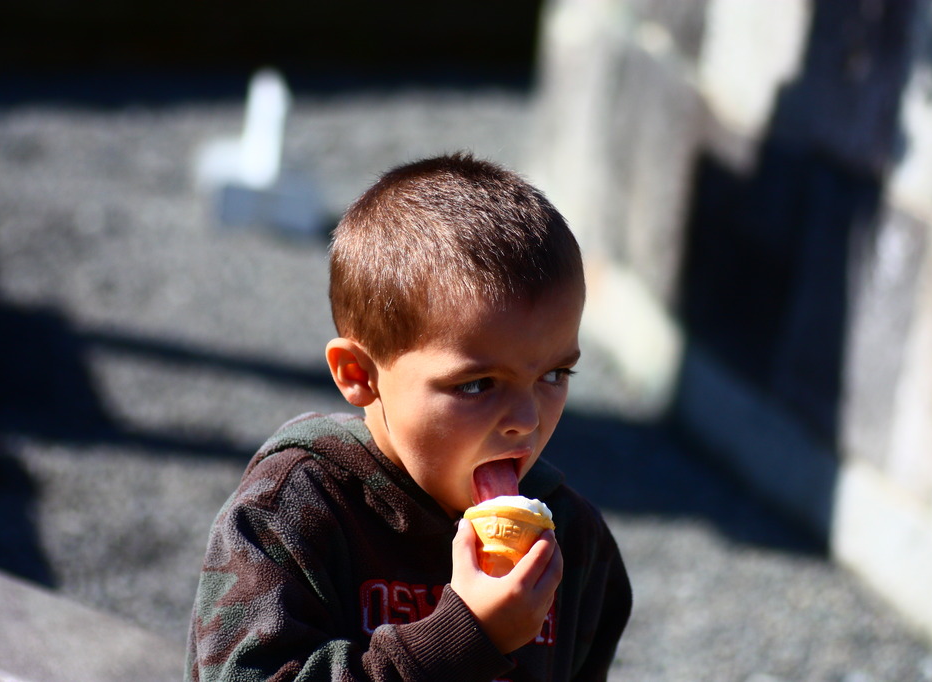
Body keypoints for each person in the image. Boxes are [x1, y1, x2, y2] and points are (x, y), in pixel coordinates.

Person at [185, 152, 632, 681]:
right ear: (358, 374)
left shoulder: (576, 542)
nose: (525, 420)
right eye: (476, 384)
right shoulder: (293, 514)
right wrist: (464, 638)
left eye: (555, 376)